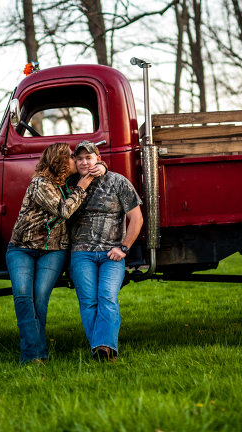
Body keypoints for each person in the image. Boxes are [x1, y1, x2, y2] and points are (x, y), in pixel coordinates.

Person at [6, 142, 106, 364]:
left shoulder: (69, 183)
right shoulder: (40, 184)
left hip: (54, 251)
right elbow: (64, 210)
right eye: (71, 157)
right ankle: (34, 354)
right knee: (23, 295)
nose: (75, 160)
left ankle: (35, 354)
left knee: (40, 298)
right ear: (60, 162)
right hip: (22, 248)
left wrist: (102, 167)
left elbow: (93, 164)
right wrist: (84, 184)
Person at [69, 140, 143, 362]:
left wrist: (124, 247)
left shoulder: (117, 181)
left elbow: (136, 218)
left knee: (107, 297)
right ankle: (103, 348)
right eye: (80, 158)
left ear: (98, 159)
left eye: (89, 157)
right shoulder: (70, 184)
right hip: (81, 253)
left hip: (112, 254)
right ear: (75, 161)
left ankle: (102, 347)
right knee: (88, 300)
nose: (84, 162)